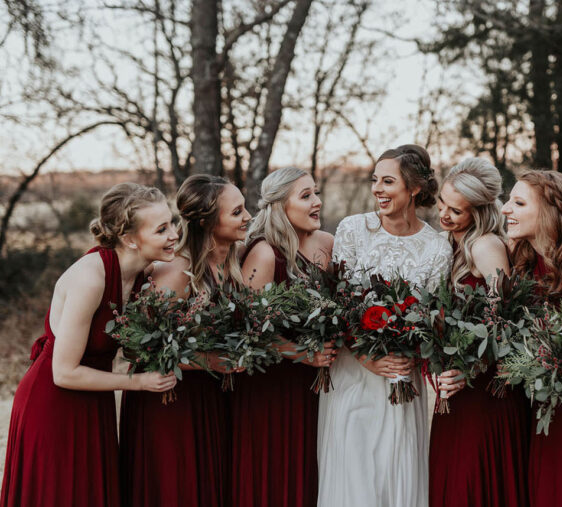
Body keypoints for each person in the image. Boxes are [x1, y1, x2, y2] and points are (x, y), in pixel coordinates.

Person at [1, 183, 178, 507]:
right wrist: (138, 382)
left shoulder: (143, 271)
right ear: (130, 239)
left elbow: (191, 263)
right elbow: (63, 373)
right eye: (162, 229)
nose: (174, 235)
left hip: (94, 400)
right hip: (54, 403)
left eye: (173, 223)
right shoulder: (91, 277)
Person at [317, 144, 452, 507]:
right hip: (353, 372)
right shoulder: (353, 229)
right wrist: (366, 358)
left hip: (401, 379)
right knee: (354, 474)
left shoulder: (437, 247)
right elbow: (340, 302)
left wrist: (412, 350)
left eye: (388, 181)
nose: (377, 188)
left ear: (415, 189)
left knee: (396, 470)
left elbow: (433, 317)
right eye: (375, 180)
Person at [120, 174, 251, 507]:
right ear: (209, 222)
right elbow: (141, 348)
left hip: (210, 398)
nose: (248, 217)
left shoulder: (233, 265)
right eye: (237, 212)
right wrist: (212, 361)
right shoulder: (178, 271)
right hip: (169, 402)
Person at [429, 157, 530, 507]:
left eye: (456, 211)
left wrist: (469, 369)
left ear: (479, 211)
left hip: (485, 390)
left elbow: (507, 322)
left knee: (472, 483)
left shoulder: (485, 246)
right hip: (457, 389)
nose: (444, 214)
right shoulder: (448, 244)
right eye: (442, 203)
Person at [233, 166, 336, 507]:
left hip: (319, 389)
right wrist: (300, 353)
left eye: (316, 193)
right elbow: (245, 333)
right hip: (272, 391)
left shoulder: (328, 245)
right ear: (279, 205)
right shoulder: (265, 254)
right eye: (306, 196)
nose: (316, 202)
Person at [500, 170, 562, 507]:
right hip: (542, 398)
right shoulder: (524, 257)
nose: (504, 209)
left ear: (547, 210)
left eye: (518, 202)